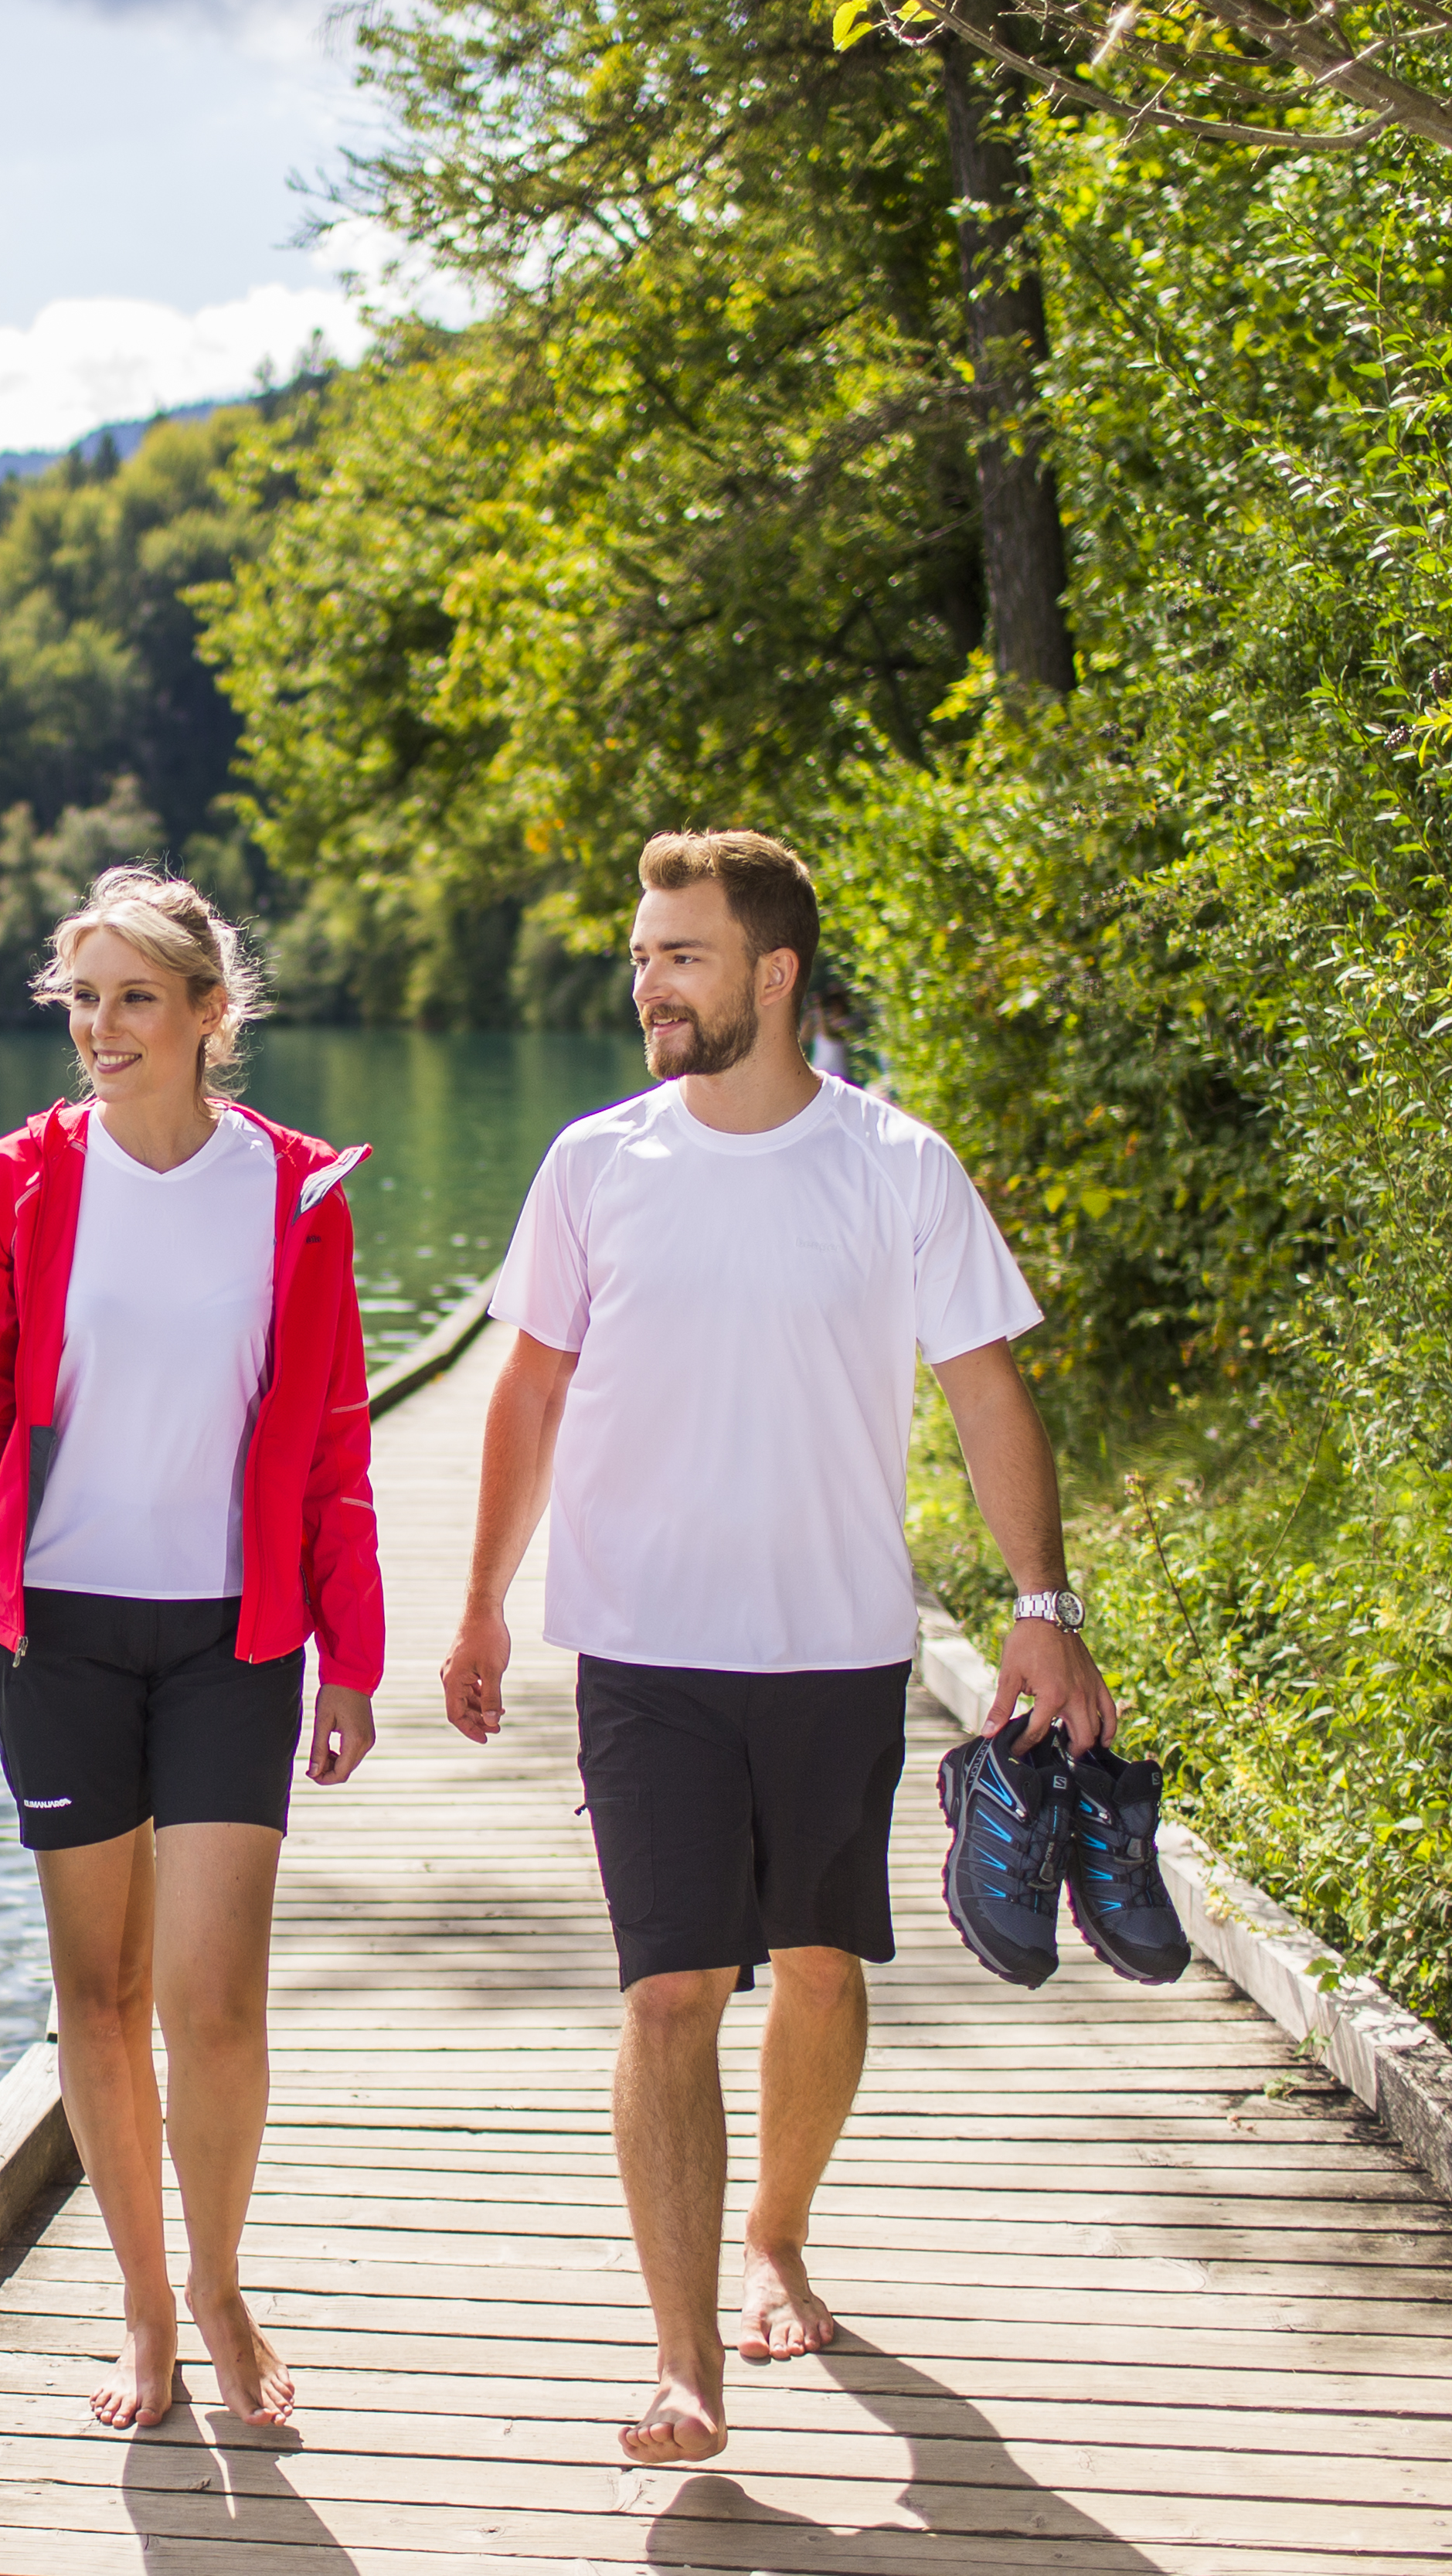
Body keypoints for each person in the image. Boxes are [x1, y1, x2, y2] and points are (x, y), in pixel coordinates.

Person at [439, 829, 1118, 2469]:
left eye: (679, 951)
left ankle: (778, 2230)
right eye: (642, 953)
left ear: (773, 972)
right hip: (644, 1653)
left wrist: (1044, 1605)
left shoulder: (895, 1165)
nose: (649, 981)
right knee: (670, 1986)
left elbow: (983, 1388)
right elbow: (528, 1385)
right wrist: (477, 1599)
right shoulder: (597, 1162)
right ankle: (683, 2363)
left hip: (829, 1646)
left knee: (818, 1964)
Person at [0, 865, 384, 2430]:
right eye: (80, 999)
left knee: (214, 1999)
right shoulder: (15, 1181)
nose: (100, 1027)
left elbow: (340, 1438)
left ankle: (220, 2283)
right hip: (62, 1640)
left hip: (236, 1639)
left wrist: (348, 1655)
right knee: (96, 1998)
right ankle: (146, 2315)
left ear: (211, 1014)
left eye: (134, 998)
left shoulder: (294, 1189)